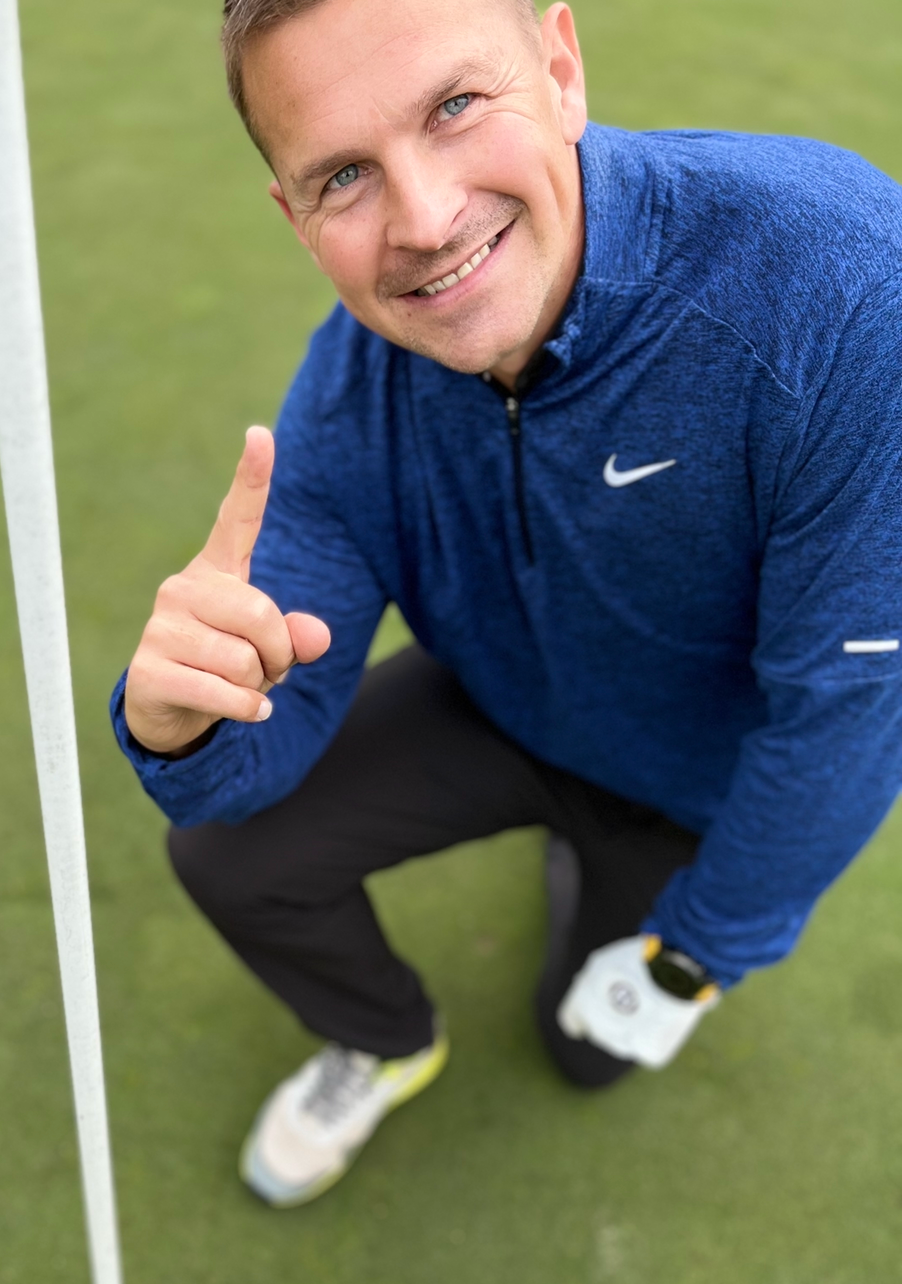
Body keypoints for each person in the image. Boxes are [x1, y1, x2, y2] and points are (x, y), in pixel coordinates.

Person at [109, 0, 902, 1208]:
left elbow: (851, 706)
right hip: (497, 697)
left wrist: (701, 951)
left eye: (455, 107)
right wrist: (187, 722)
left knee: (585, 1052)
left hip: (683, 783)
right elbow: (260, 744)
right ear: (294, 215)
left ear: (563, 67)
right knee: (224, 848)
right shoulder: (350, 387)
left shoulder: (843, 287)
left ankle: (590, 873)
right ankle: (385, 1037)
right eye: (343, 177)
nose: (424, 223)